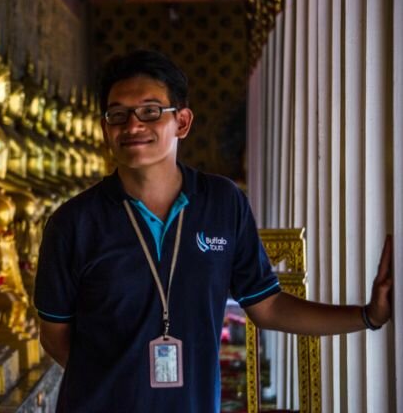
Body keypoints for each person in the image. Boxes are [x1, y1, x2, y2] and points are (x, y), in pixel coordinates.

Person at [33, 50, 393, 412]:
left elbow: (267, 306)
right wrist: (118, 383)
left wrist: (367, 316)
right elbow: (54, 334)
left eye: (150, 111)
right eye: (118, 114)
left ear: (183, 122)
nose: (132, 126)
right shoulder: (72, 223)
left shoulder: (222, 203)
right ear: (104, 128)